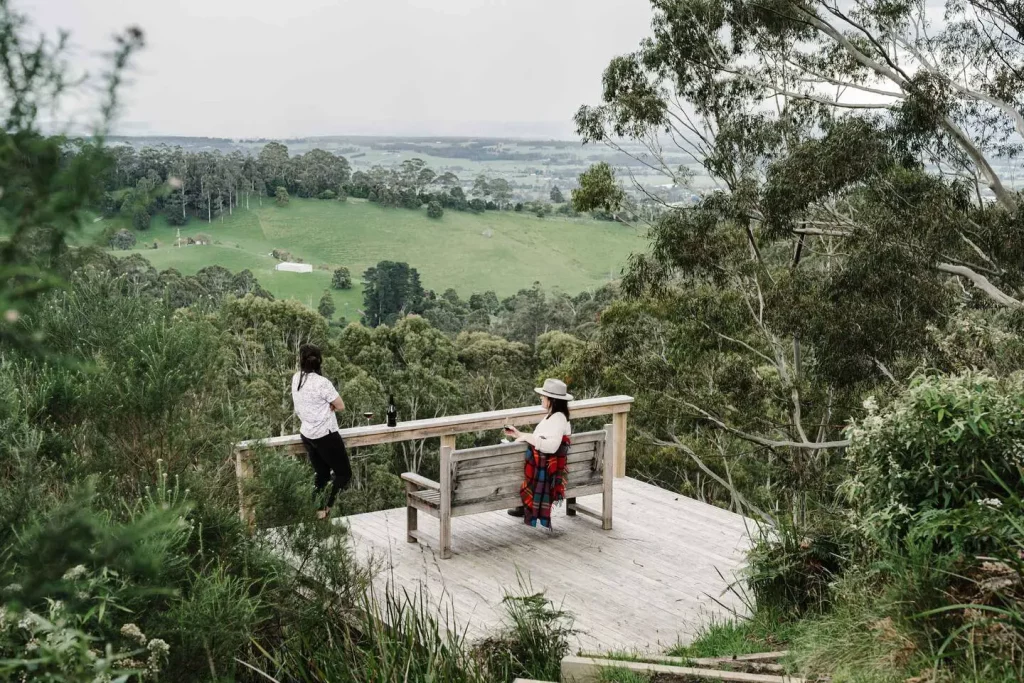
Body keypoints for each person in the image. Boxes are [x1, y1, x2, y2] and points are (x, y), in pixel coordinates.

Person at [291, 344, 351, 519]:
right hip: (325, 434)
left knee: (323, 475)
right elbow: (340, 406)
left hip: (307, 434)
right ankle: (326, 509)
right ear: (319, 361)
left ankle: (316, 514)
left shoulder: (296, 378)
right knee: (343, 474)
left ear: (301, 360)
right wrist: (329, 405)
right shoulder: (322, 383)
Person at [503, 378, 573, 528]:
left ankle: (524, 504)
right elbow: (540, 439)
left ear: (552, 400)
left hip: (541, 472)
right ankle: (523, 506)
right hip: (543, 467)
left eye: (543, 396)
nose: (541, 397)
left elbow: (552, 447)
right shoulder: (555, 416)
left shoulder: (558, 419)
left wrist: (527, 437)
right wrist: (518, 434)